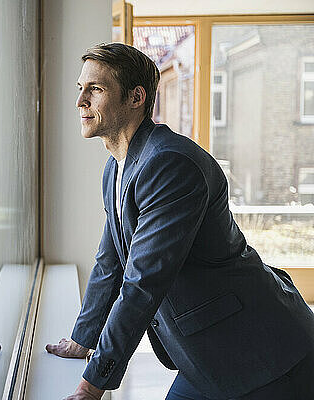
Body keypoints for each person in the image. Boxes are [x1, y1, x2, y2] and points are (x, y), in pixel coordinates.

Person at [46, 42, 314, 400]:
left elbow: (142, 281)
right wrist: (83, 340)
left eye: (95, 89)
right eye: (80, 89)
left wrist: (93, 383)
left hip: (263, 352)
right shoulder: (116, 167)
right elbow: (110, 262)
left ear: (135, 97)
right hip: (206, 354)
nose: (81, 101)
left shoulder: (170, 164)